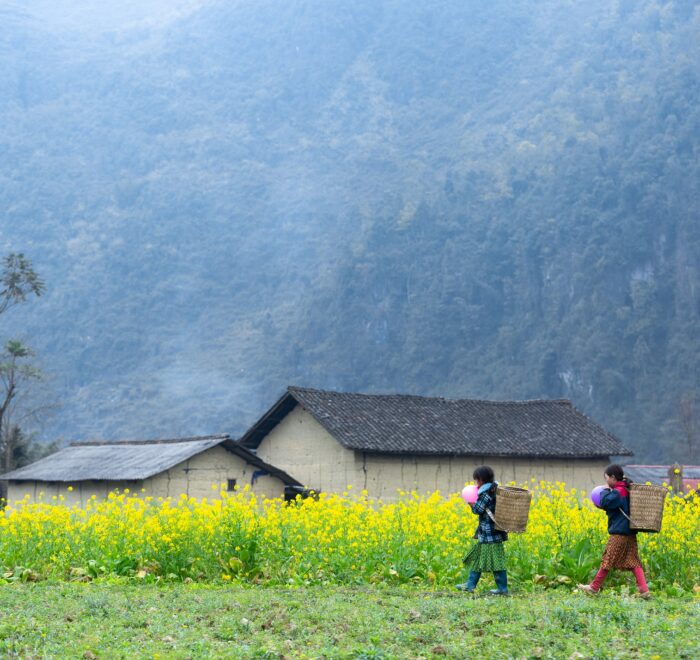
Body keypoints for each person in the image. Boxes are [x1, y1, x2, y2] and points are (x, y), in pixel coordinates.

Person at [578, 464, 651, 599]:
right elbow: (616, 508)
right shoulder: (626, 489)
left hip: (619, 534)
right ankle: (644, 591)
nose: (606, 483)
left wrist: (605, 492)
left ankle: (594, 587)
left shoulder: (619, 491)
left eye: (607, 479)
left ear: (613, 477)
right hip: (629, 532)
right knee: (633, 561)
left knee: (608, 560)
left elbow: (607, 502)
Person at [456, 465, 509, 595]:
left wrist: (470, 503)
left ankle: (502, 589)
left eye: (477, 480)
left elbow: (478, 510)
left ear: (482, 479)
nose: (476, 483)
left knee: (497, 562)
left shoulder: (486, 493)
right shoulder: (494, 489)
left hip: (490, 534)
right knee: (479, 559)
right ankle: (470, 584)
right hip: (489, 533)